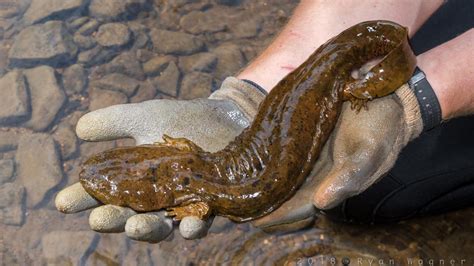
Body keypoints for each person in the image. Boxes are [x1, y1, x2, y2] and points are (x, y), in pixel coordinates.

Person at [55, 0, 474, 243]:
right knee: (329, 83)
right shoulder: (183, 164)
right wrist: (255, 89)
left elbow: (197, 201)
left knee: (379, 196)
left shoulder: (187, 188)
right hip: (294, 112)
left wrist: (417, 98)